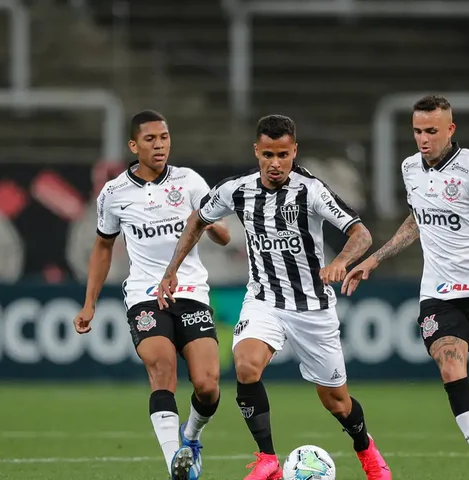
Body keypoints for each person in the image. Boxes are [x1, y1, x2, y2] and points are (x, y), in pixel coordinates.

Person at [157, 114, 392, 480]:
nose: (275, 163)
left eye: (283, 154)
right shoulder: (237, 189)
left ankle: (367, 451)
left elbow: (360, 234)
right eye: (268, 154)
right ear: (257, 151)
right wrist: (171, 270)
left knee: (337, 402)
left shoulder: (310, 190)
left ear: (294, 151)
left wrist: (341, 262)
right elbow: (198, 219)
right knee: (246, 365)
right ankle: (267, 459)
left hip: (312, 308)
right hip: (265, 299)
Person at [342, 95, 469, 480]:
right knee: (450, 366)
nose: (423, 139)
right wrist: (374, 258)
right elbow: (416, 219)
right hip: (439, 292)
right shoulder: (410, 167)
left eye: (432, 131)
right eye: (418, 131)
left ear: (450, 130)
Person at [72, 110, 230, 480]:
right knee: (162, 368)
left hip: (191, 291)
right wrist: (90, 302)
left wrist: (216, 229)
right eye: (150, 139)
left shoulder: (189, 181)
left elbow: (217, 226)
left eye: (164, 137)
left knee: (207, 385)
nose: (159, 145)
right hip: (145, 294)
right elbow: (102, 247)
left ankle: (190, 438)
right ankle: (176, 463)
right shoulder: (114, 193)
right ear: (133, 145)